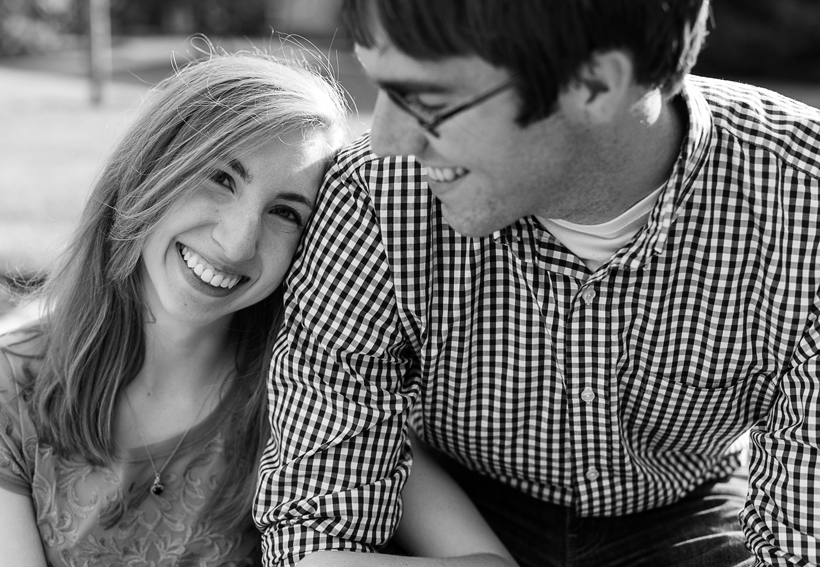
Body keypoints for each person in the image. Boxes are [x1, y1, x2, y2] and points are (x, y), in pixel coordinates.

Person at [253, 1, 820, 566]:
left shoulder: (805, 204)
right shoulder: (373, 199)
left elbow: (803, 547)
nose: (385, 140)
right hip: (456, 515)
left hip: (682, 512)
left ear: (596, 85)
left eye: (425, 99)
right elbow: (316, 527)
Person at [0, 42, 520, 567]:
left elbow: (488, 561)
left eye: (285, 212)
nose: (237, 242)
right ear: (145, 172)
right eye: (220, 178)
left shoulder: (321, 397)